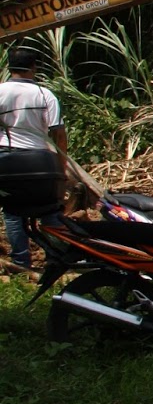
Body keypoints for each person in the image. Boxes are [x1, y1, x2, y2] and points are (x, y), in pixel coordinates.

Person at [0, 47, 69, 272]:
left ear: (9, 66)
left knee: (13, 212)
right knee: (50, 210)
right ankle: (57, 260)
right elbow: (58, 134)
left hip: (7, 160)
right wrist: (61, 168)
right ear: (34, 67)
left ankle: (21, 263)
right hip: (41, 161)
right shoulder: (44, 94)